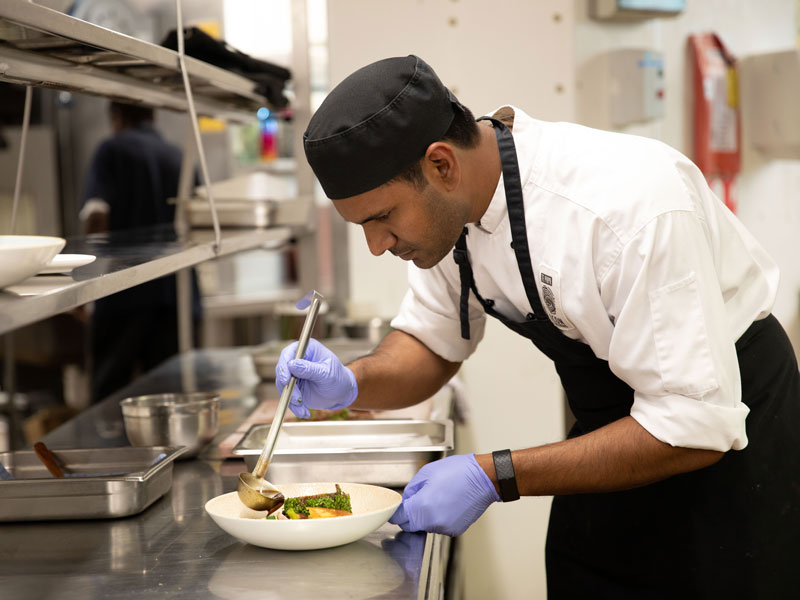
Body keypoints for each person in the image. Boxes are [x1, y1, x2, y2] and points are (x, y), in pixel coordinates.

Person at [274, 55, 800, 597]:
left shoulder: (625, 208)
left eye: (381, 218)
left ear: (441, 165)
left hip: (726, 452)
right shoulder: (449, 218)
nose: (376, 245)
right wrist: (354, 383)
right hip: (610, 441)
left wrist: (495, 473)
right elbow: (431, 342)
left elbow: (693, 426)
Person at [80, 101, 201, 403]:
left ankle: (112, 450)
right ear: (153, 114)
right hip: (177, 296)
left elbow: (96, 216)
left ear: (116, 117)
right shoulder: (178, 157)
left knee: (110, 397)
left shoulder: (111, 151)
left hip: (123, 296)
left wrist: (84, 284)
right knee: (169, 398)